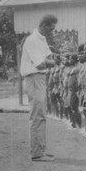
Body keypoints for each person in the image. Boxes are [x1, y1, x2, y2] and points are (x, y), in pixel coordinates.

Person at [20, 14, 58, 162]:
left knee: (41, 115)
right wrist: (49, 62)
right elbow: (41, 64)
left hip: (40, 78)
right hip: (34, 77)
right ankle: (36, 153)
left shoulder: (42, 40)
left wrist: (49, 61)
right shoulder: (32, 40)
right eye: (51, 29)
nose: (52, 32)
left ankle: (40, 149)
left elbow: (49, 57)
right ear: (44, 25)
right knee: (37, 115)